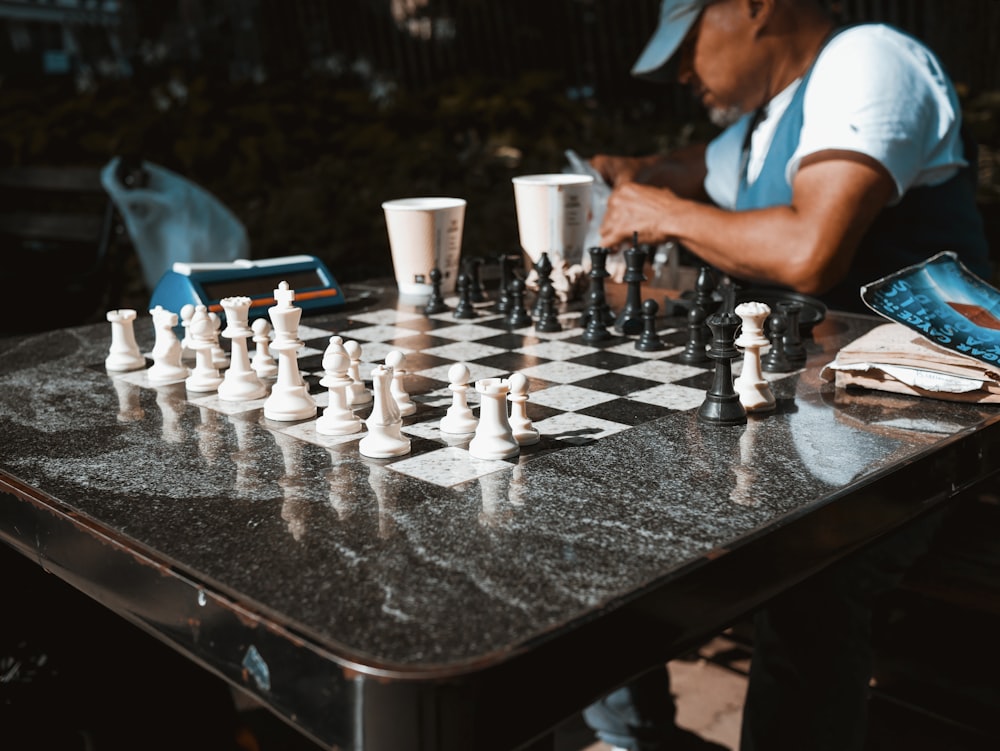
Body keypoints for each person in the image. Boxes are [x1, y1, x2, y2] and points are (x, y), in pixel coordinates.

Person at [582, 1, 992, 750]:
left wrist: (666, 211)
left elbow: (809, 251)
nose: (680, 71)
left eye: (688, 43)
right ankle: (629, 737)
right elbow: (679, 171)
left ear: (754, 7)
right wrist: (626, 175)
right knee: (594, 495)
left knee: (811, 577)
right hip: (813, 413)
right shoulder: (765, 127)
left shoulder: (868, 60)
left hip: (930, 424)